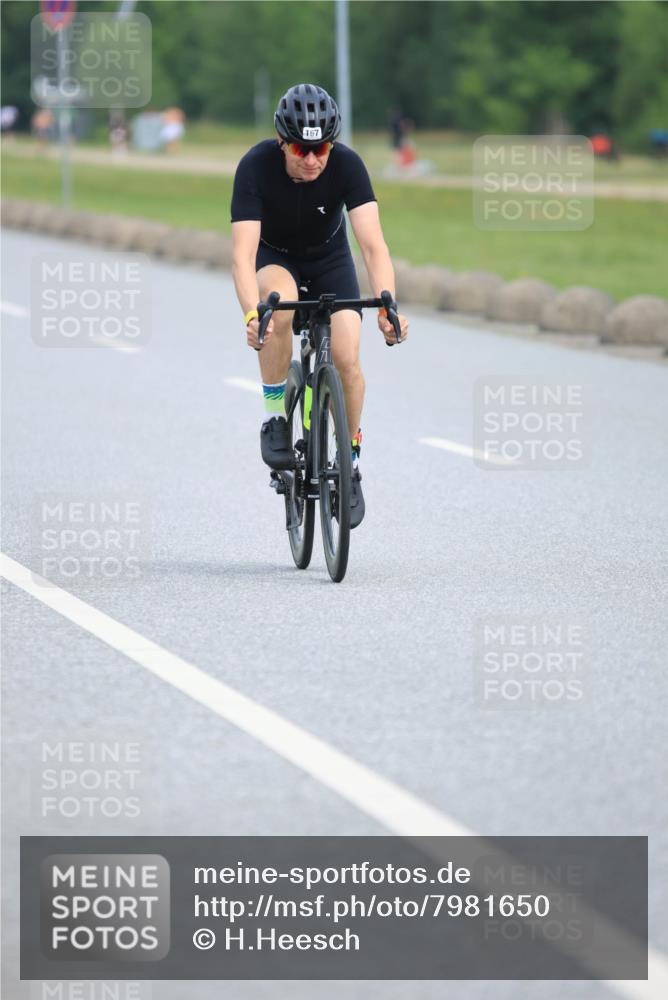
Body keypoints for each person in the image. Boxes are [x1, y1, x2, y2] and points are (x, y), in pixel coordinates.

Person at [231, 83, 408, 529]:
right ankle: (275, 416)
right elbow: (242, 254)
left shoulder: (348, 164)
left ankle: (348, 461)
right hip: (277, 259)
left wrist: (387, 305)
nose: (311, 159)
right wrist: (253, 314)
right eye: (300, 149)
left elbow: (372, 245)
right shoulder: (255, 166)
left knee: (347, 356)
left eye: (321, 148)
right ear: (281, 141)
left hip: (330, 262)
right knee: (279, 309)